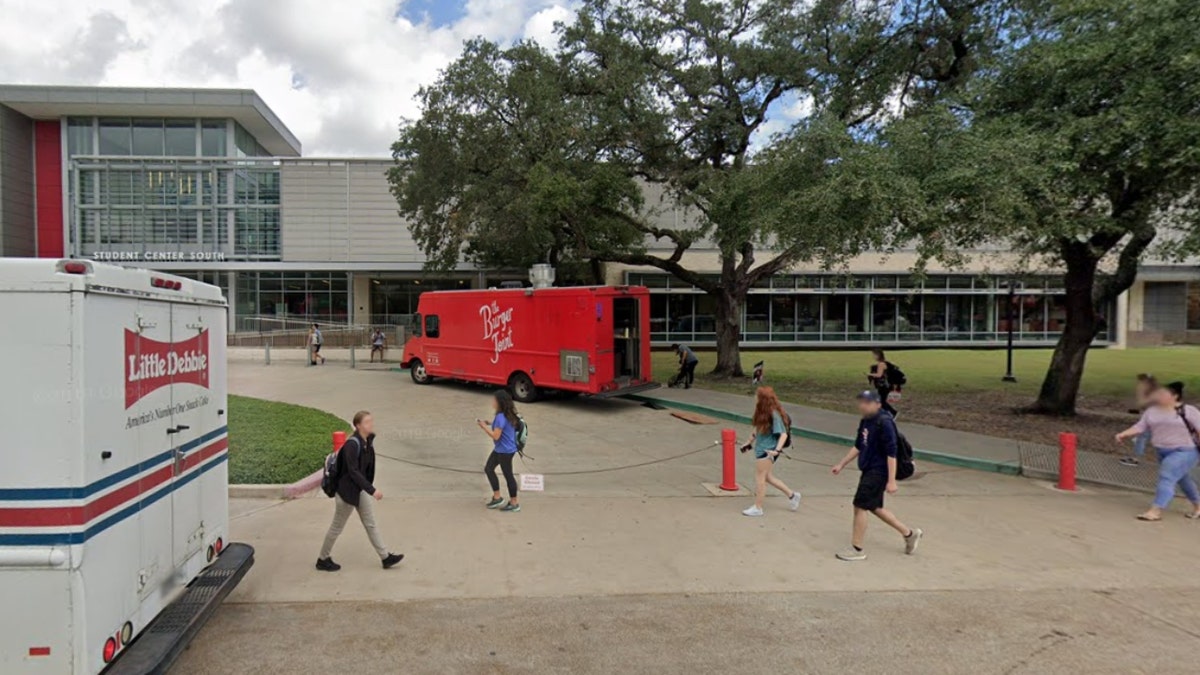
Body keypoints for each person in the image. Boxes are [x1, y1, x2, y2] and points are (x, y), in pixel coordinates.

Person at [831, 390, 922, 561]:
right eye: (861, 402)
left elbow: (891, 453)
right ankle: (909, 533)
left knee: (859, 505)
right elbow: (859, 445)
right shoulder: (866, 421)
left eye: (867, 402)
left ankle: (857, 549)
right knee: (873, 507)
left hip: (879, 471)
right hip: (868, 468)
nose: (863, 405)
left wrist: (892, 480)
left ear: (878, 404)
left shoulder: (884, 422)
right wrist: (841, 464)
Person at [316, 411, 404, 571]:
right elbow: (353, 471)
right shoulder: (352, 445)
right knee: (337, 527)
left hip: (359, 489)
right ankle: (322, 559)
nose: (371, 424)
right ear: (358, 426)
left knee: (370, 524)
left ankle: (385, 557)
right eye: (367, 422)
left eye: (371, 421)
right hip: (346, 493)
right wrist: (372, 490)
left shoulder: (367, 442)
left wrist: (367, 488)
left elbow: (366, 470)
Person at [1115, 381, 1200, 521]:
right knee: (1182, 480)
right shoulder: (1152, 411)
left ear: (1175, 396)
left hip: (1185, 451)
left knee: (1167, 475)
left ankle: (1155, 511)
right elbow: (1140, 426)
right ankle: (1198, 506)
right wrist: (1124, 433)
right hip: (1162, 450)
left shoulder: (1189, 411)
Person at [740, 387, 802, 517]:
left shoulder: (774, 414)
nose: (755, 398)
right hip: (762, 449)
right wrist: (748, 442)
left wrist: (776, 450)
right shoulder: (762, 412)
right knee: (768, 477)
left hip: (768, 451)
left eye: (757, 396)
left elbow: (783, 434)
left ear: (763, 400)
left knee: (760, 478)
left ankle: (758, 507)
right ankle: (792, 495)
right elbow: (757, 430)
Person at [480, 390, 522, 512]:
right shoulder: (508, 414)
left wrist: (484, 427)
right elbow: (503, 425)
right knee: (489, 468)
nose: (492, 402)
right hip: (504, 449)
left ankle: (514, 503)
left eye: (494, 400)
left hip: (504, 451)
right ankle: (497, 497)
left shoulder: (500, 417)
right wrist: (490, 422)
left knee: (508, 475)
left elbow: (496, 436)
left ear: (499, 402)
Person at [1119, 373, 1158, 466]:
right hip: (1153, 418)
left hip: (1152, 419)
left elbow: (1144, 404)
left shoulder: (1150, 392)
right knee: (1142, 437)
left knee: (1141, 437)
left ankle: (1135, 459)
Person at [867, 349, 898, 417]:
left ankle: (893, 413)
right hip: (883, 385)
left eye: (874, 355)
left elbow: (879, 375)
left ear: (878, 355)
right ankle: (888, 414)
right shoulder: (882, 363)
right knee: (881, 401)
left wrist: (870, 374)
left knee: (882, 402)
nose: (873, 357)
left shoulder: (881, 364)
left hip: (884, 386)